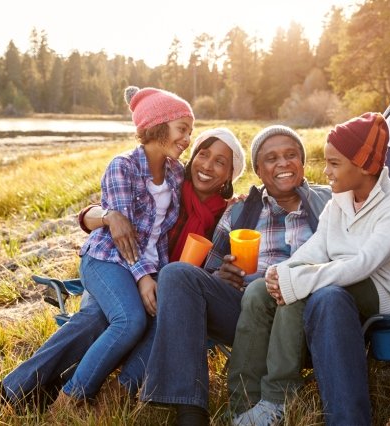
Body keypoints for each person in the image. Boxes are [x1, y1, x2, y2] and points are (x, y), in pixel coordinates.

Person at [0, 125, 247, 409]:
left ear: (230, 174)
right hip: (120, 266)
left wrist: (222, 275)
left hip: (167, 290)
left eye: (221, 162)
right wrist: (108, 216)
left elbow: (219, 276)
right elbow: (93, 214)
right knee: (99, 316)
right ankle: (20, 390)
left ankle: (113, 395)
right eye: (203, 155)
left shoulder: (229, 215)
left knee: (165, 317)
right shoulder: (173, 183)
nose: (208, 166)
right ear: (192, 158)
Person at [139, 125, 332, 425]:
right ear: (258, 169)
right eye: (271, 158)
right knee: (177, 274)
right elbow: (207, 273)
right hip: (247, 315)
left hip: (307, 313)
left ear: (302, 163)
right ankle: (190, 410)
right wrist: (222, 275)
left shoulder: (329, 202)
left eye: (290, 155)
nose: (282, 164)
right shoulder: (239, 212)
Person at [239, 112, 390, 426]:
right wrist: (283, 269)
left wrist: (298, 278)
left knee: (299, 290)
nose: (326, 172)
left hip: (381, 293)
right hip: (342, 280)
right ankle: (243, 398)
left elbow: (364, 264)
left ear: (364, 165)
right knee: (258, 289)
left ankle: (277, 397)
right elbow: (317, 247)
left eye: (334, 164)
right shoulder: (340, 199)